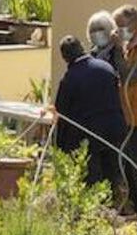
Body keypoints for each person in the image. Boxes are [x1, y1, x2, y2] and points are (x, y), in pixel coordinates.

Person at [54, 34, 127, 193]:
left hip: (89, 134)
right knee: (113, 172)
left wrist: (59, 144)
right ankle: (119, 206)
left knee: (93, 177)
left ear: (65, 57)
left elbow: (62, 113)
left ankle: (98, 211)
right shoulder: (106, 67)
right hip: (115, 130)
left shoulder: (70, 78)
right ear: (81, 48)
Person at [113, 5, 137, 207]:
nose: (119, 30)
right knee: (129, 164)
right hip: (130, 117)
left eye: (122, 25)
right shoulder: (129, 47)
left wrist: (119, 49)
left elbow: (130, 75)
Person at [87, 9, 127, 78]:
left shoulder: (119, 50)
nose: (97, 33)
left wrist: (119, 49)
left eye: (101, 29)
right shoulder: (91, 55)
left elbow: (124, 73)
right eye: (93, 30)